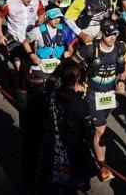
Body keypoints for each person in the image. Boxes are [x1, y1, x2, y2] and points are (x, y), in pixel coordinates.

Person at [73, 18, 126, 182]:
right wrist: (76, 83)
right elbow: (72, 63)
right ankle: (102, 166)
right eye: (109, 34)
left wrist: (122, 80)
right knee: (101, 130)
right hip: (92, 93)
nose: (113, 37)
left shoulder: (121, 48)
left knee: (95, 126)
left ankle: (85, 139)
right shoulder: (90, 50)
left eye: (115, 34)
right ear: (102, 33)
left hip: (109, 95)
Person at [41, 62, 94, 193]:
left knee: (50, 183)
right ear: (77, 79)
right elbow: (88, 132)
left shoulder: (51, 94)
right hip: (72, 150)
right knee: (70, 186)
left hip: (52, 144)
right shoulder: (81, 104)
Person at [23, 7, 72, 81]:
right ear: (47, 18)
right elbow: (25, 43)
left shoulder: (65, 29)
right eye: (54, 17)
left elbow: (70, 46)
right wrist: (32, 55)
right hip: (40, 67)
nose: (57, 20)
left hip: (57, 67)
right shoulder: (37, 31)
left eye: (59, 17)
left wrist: (69, 52)